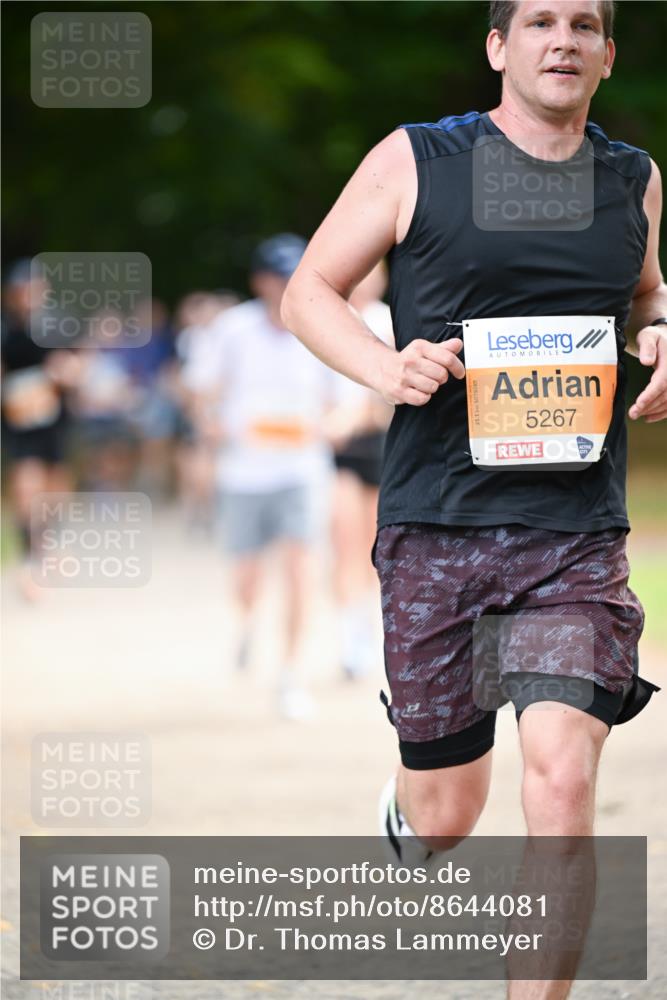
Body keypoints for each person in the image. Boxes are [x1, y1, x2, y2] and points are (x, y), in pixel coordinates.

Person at [282, 2, 665, 994]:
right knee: (449, 816)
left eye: (585, 23)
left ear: (606, 55)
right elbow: (311, 289)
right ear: (499, 47)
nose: (563, 37)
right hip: (435, 525)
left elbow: (645, 292)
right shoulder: (417, 161)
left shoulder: (632, 180)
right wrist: (382, 365)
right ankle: (414, 815)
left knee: (562, 781)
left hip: (573, 535)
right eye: (539, 19)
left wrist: (662, 331)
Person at [187, 235, 336, 720]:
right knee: (247, 577)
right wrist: (210, 425)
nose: (283, 284)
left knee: (301, 570)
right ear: (260, 281)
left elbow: (343, 401)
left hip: (301, 468)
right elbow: (200, 390)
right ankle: (248, 621)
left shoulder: (324, 323)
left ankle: (292, 673)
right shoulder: (232, 329)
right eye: (276, 275)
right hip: (244, 471)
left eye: (292, 274)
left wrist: (327, 428)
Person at [326, 262, 394, 679]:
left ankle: (367, 628)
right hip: (336, 450)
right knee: (344, 542)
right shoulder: (326, 318)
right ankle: (349, 632)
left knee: (373, 549)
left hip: (378, 443)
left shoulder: (389, 319)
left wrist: (362, 415)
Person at [1, 259, 80, 599]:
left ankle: (47, 546)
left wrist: (65, 373)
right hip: (19, 422)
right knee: (27, 486)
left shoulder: (58, 324)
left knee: (56, 489)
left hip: (55, 420)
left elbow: (76, 365)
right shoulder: (5, 329)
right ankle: (30, 559)